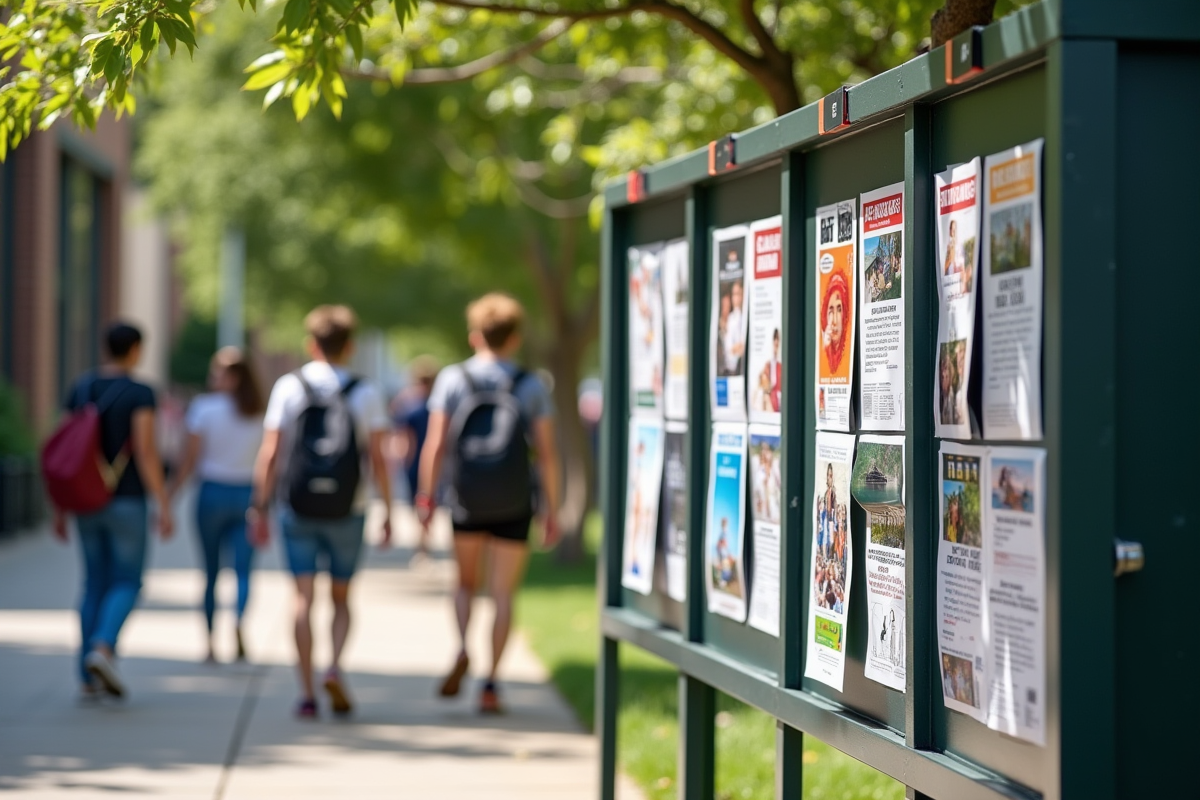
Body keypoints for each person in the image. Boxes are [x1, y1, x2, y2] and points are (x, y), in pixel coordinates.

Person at [415, 293, 560, 715]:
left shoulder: (453, 379)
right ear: (514, 338)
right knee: (502, 593)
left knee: (464, 583)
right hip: (515, 501)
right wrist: (551, 507)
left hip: (466, 498)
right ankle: (492, 682)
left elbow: (436, 444)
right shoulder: (531, 385)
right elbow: (546, 454)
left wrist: (426, 497)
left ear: (476, 335)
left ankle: (462, 646)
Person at [248, 305, 393, 718]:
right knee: (342, 598)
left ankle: (307, 693)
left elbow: (271, 452)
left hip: (297, 506)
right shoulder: (366, 392)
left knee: (302, 599)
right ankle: (334, 666)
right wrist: (385, 508)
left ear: (311, 345)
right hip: (350, 506)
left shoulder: (288, 388)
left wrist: (259, 505)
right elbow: (379, 459)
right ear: (350, 346)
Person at [55, 323, 173, 699]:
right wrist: (164, 501)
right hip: (127, 500)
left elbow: (64, 453)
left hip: (85, 500)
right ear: (136, 350)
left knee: (93, 583)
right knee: (127, 581)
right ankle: (103, 647)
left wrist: (60, 506)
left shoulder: (82, 387)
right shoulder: (140, 392)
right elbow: (145, 450)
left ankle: (86, 677)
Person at [168, 347, 265, 663]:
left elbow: (189, 459)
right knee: (243, 571)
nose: (213, 378)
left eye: (217, 373)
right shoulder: (259, 411)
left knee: (210, 573)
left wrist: (171, 494)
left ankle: (209, 643)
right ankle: (238, 621)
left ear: (233, 377)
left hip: (211, 494)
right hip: (248, 494)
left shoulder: (204, 409)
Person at [394, 356, 439, 554]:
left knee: (418, 500)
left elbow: (405, 440)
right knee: (430, 499)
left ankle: (423, 541)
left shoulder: (411, 406)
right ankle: (424, 540)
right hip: (435, 461)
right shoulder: (439, 405)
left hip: (416, 461)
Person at [821, 271, 849, 373]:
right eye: (831, 311)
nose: (834, 321)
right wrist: (825, 349)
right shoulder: (825, 349)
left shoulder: (847, 354)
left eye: (839, 309)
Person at [723, 281, 745, 375]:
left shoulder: (745, 316)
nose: (735, 298)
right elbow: (729, 349)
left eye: (737, 294)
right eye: (734, 294)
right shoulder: (731, 319)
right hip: (734, 370)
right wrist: (739, 347)